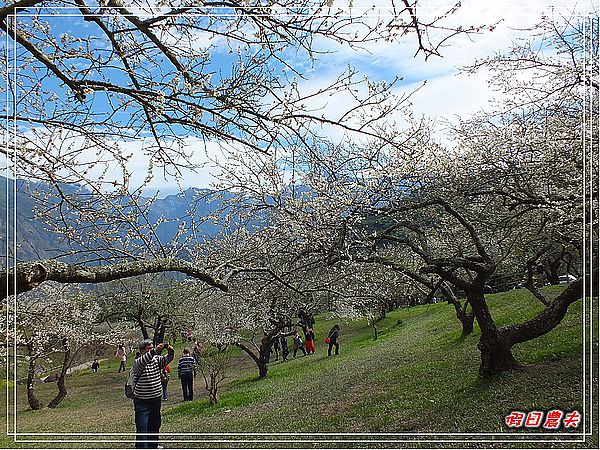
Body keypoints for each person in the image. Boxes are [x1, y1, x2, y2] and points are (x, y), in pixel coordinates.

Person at [131, 339, 174, 449]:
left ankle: (153, 446)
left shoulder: (156, 360)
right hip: (142, 401)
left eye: (152, 348)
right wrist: (155, 350)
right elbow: (146, 358)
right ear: (142, 351)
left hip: (155, 400)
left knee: (155, 424)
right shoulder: (138, 362)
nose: (152, 351)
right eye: (149, 349)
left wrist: (170, 351)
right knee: (142, 428)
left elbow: (166, 360)